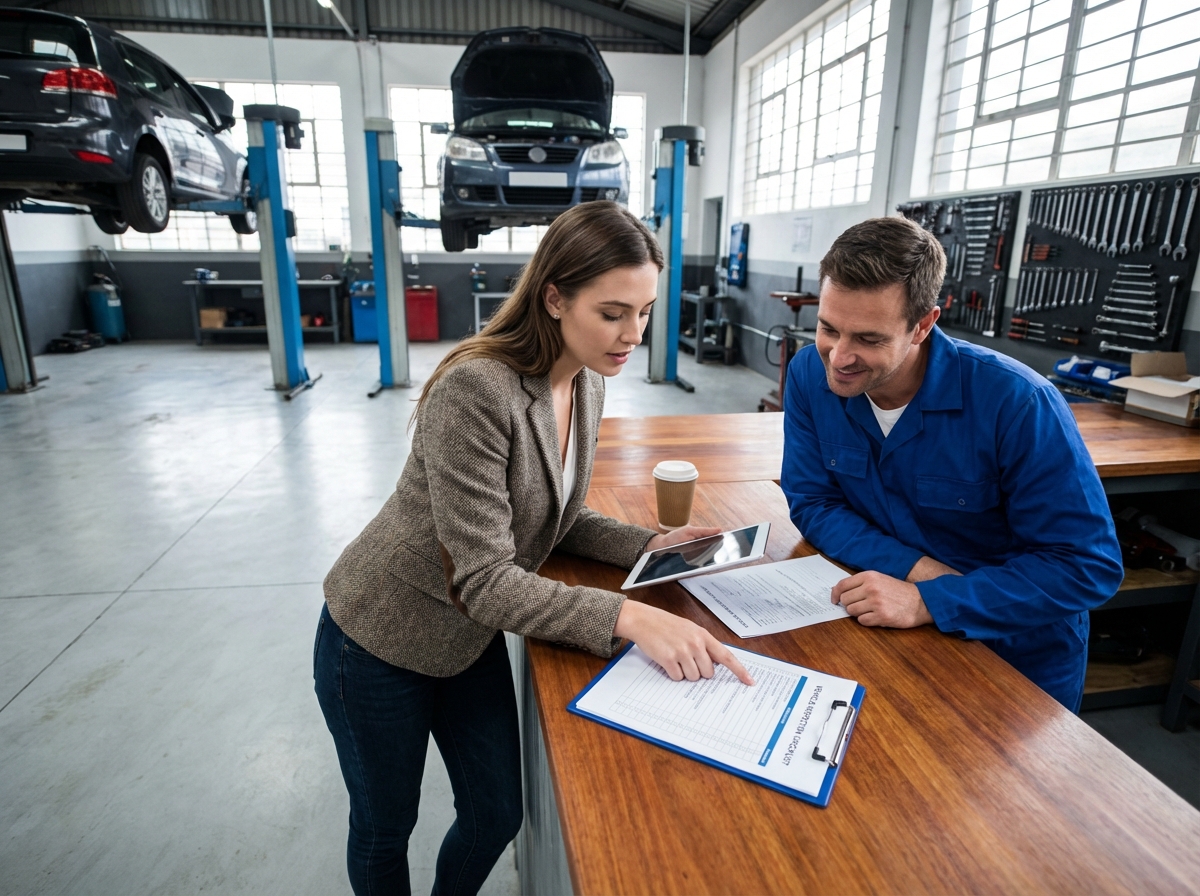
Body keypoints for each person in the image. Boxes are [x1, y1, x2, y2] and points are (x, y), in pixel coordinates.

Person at [314, 201, 753, 896]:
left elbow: (557, 515)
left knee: (494, 814)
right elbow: (486, 576)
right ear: (554, 297)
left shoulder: (590, 381)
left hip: (465, 641)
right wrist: (628, 617)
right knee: (383, 823)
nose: (632, 334)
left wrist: (651, 544)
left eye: (643, 312)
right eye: (613, 313)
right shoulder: (475, 390)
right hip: (379, 639)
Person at [780, 216, 1123, 712]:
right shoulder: (810, 375)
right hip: (891, 628)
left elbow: (1084, 565)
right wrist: (916, 571)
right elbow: (814, 501)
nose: (840, 357)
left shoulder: (1018, 402)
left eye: (869, 339)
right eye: (828, 329)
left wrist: (930, 601)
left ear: (924, 324)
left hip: (1014, 654)